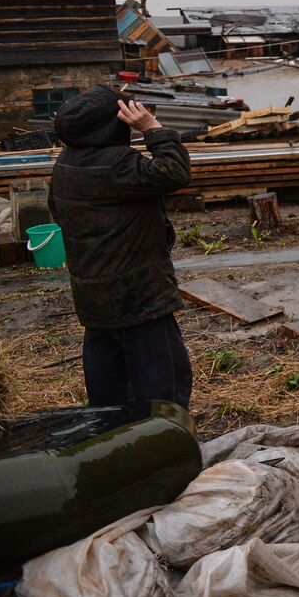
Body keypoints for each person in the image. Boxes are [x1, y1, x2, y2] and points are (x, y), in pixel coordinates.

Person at [49, 86, 194, 409]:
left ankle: (116, 451)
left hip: (93, 300)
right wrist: (152, 129)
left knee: (108, 395)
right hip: (139, 299)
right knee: (163, 393)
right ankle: (166, 451)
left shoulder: (65, 165)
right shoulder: (117, 164)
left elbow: (58, 213)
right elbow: (175, 172)